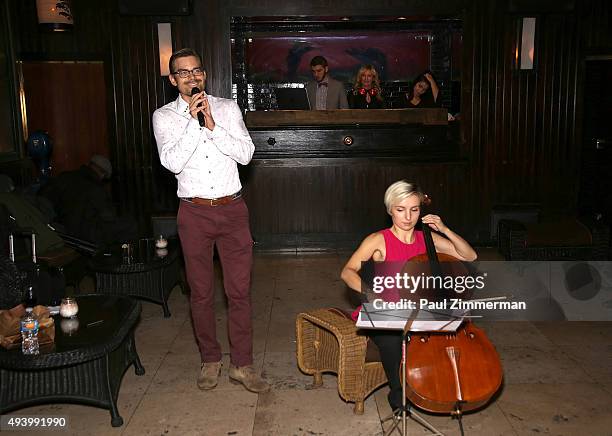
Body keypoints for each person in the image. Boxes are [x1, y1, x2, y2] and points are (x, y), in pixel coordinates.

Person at [152, 48, 269, 394]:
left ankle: (242, 365)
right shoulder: (164, 117)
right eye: (183, 73)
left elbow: (247, 154)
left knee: (239, 292)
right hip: (194, 213)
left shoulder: (228, 108)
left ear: (204, 75)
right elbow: (171, 162)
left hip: (233, 211)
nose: (192, 77)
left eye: (197, 71)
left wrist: (213, 125)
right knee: (200, 293)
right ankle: (211, 359)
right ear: (173, 80)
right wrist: (192, 120)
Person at [340, 180, 477, 411]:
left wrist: (444, 229)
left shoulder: (428, 239)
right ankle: (398, 392)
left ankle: (438, 386)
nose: (408, 217)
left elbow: (469, 256)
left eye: (414, 210)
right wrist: (371, 294)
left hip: (420, 308)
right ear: (390, 210)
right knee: (394, 339)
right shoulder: (378, 240)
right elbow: (347, 271)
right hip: (387, 311)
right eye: (400, 210)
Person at [38, 154, 137, 246]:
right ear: (102, 174)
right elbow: (108, 217)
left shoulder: (64, 177)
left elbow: (43, 200)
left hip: (61, 231)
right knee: (130, 225)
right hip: (85, 236)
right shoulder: (96, 190)